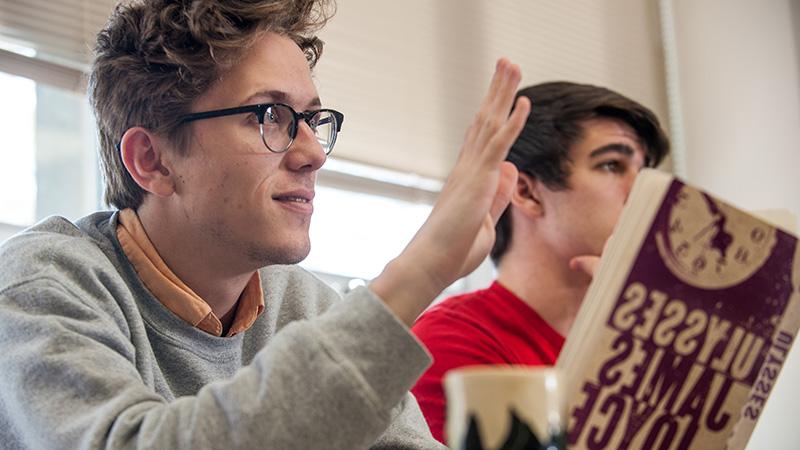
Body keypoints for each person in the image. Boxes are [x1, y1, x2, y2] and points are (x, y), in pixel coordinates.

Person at [0, 0, 532, 448]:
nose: (312, 155)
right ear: (153, 161)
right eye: (269, 117)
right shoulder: (42, 283)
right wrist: (419, 271)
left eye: (312, 121)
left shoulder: (306, 307)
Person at [411, 81, 671, 443]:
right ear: (527, 192)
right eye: (612, 165)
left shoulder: (640, 343)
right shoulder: (452, 342)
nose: (645, 191)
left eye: (644, 174)